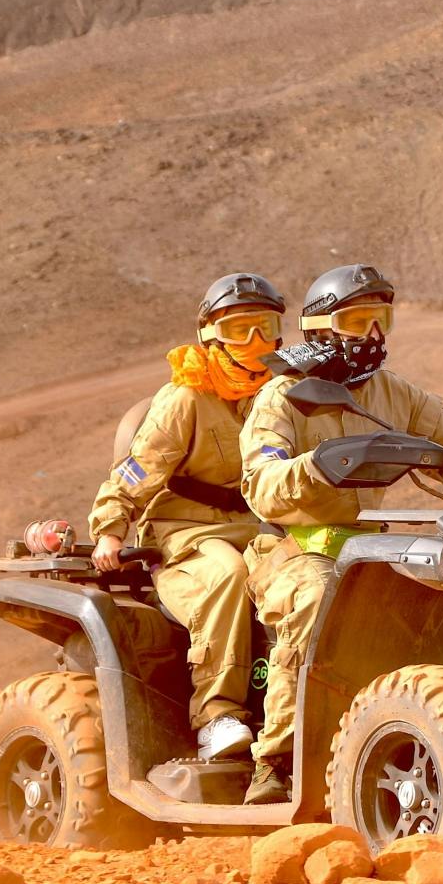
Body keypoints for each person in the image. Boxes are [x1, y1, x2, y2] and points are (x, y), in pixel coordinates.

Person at [237, 264, 443, 804]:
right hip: (288, 548)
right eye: (358, 321)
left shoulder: (395, 395)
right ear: (321, 327)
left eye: (382, 320)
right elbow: (262, 485)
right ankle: (277, 762)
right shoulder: (283, 397)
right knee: (314, 599)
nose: (373, 335)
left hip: (364, 548)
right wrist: (318, 467)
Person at [88, 273, 286, 761]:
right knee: (227, 573)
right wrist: (110, 530)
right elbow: (136, 470)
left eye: (264, 326)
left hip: (260, 529)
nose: (254, 342)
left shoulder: (283, 394)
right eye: (240, 329)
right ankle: (217, 716)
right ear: (211, 335)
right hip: (185, 532)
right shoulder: (185, 398)